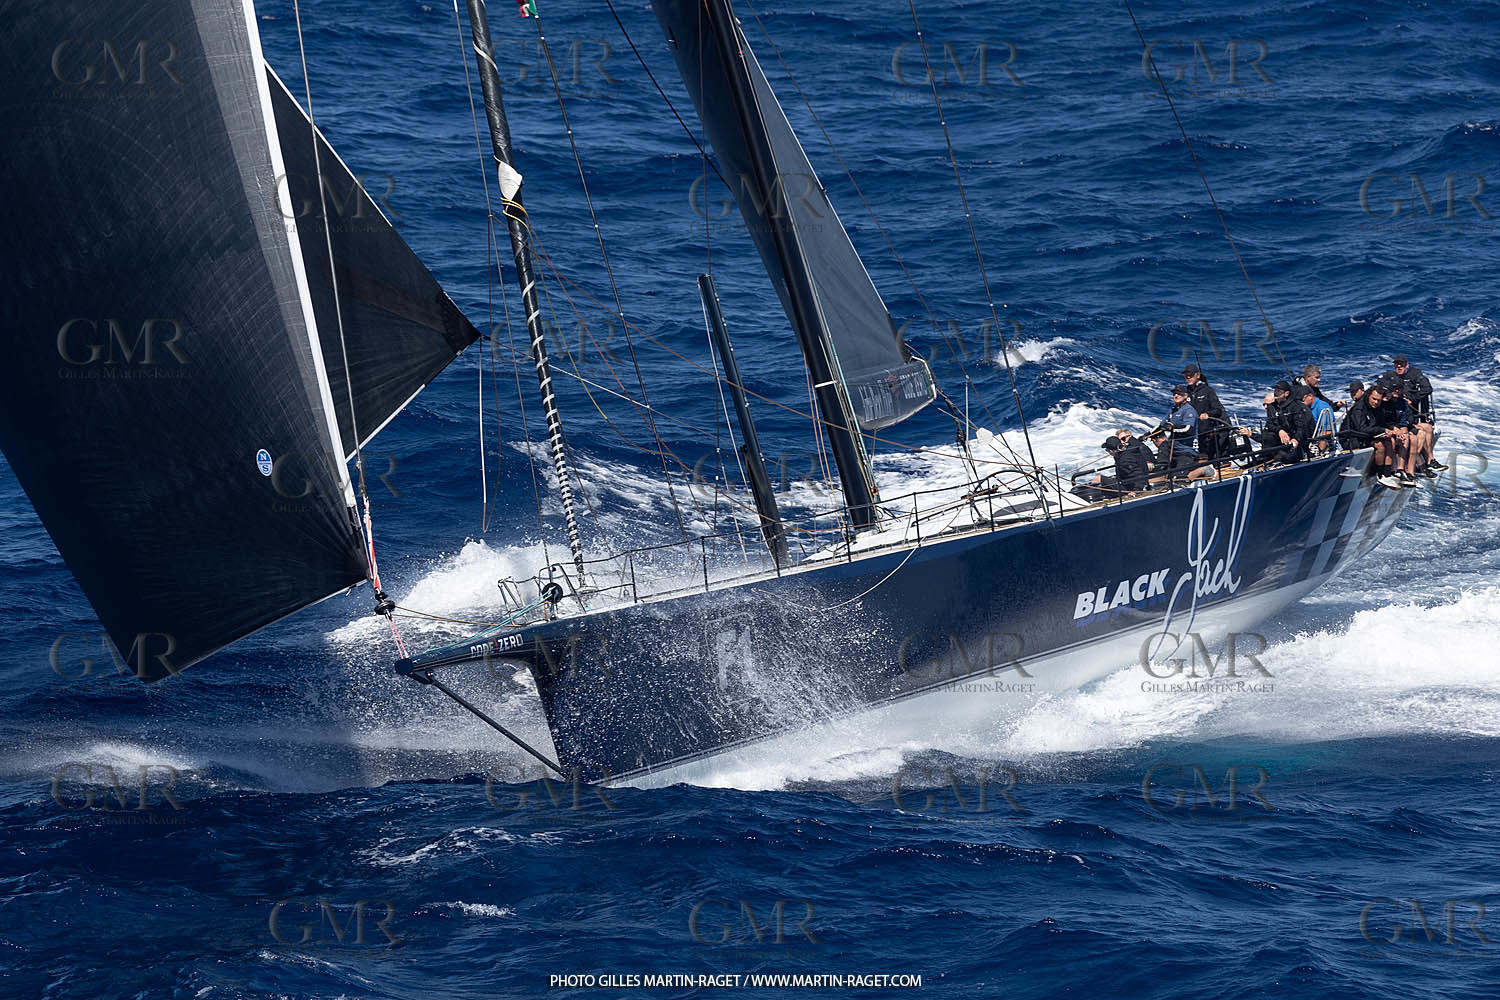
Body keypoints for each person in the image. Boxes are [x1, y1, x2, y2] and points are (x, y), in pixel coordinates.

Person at [1339, 383, 1402, 489]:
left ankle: (1388, 474)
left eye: (1379, 400)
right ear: (1368, 396)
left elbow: (1381, 424)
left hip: (1366, 435)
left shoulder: (1378, 407)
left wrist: (1393, 429)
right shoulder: (1359, 408)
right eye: (1374, 399)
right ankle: (1380, 474)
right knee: (1380, 445)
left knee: (1389, 440)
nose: (1376, 402)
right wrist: (1383, 430)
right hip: (1352, 438)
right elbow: (1361, 428)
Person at [1392, 355, 1444, 473]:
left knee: (1427, 428)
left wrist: (1412, 398)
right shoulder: (1391, 378)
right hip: (1400, 415)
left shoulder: (1415, 374)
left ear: (1407, 365)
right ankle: (1418, 464)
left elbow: (1428, 389)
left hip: (1413, 413)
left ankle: (1429, 460)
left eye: (1402, 364)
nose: (1399, 366)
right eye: (1396, 364)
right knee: (1420, 433)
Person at [1242, 379, 1313, 465]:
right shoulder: (1272, 407)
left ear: (1286, 393)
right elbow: (1270, 424)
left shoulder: (1295, 407)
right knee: (1268, 440)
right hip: (1277, 441)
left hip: (1293, 442)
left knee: (1283, 457)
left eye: (1278, 391)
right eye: (1275, 390)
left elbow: (1301, 427)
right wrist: (1280, 430)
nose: (1276, 393)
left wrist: (1296, 439)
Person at [1373, 375, 1420, 486]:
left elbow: (1401, 421)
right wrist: (1395, 430)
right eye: (1393, 389)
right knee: (1393, 441)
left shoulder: (1399, 403)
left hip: (1393, 429)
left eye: (1398, 388)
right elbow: (1381, 421)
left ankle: (1402, 471)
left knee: (1409, 438)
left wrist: (1402, 431)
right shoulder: (1381, 402)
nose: (1395, 391)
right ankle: (1387, 472)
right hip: (1381, 430)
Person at [1181, 364, 1229, 459]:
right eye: (1186, 375)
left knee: (1208, 455)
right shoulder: (1185, 393)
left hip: (1207, 431)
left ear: (1197, 375)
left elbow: (1217, 410)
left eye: (1190, 374)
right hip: (1193, 432)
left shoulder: (1208, 391)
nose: (1188, 377)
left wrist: (1208, 414)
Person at [1146, 425, 1213, 483]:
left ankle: (1204, 470)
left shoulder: (1164, 445)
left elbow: (1163, 463)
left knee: (1180, 478)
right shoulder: (1171, 442)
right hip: (1187, 458)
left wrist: (1152, 467)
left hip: (1184, 460)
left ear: (1154, 440)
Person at [1298, 381, 1337, 456]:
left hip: (1324, 445)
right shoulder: (1306, 408)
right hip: (1311, 441)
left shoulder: (1323, 408)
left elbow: (1326, 432)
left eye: (1302, 400)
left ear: (1310, 396)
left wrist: (1321, 452)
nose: (1301, 403)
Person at [1164, 384, 1198, 451]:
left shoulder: (1189, 410)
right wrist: (1147, 435)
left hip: (1185, 449)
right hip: (1172, 447)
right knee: (1163, 446)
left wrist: (1172, 428)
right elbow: (1161, 425)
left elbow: (1188, 429)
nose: (1175, 396)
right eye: (1174, 394)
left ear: (1185, 396)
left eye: (1178, 394)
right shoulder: (1173, 410)